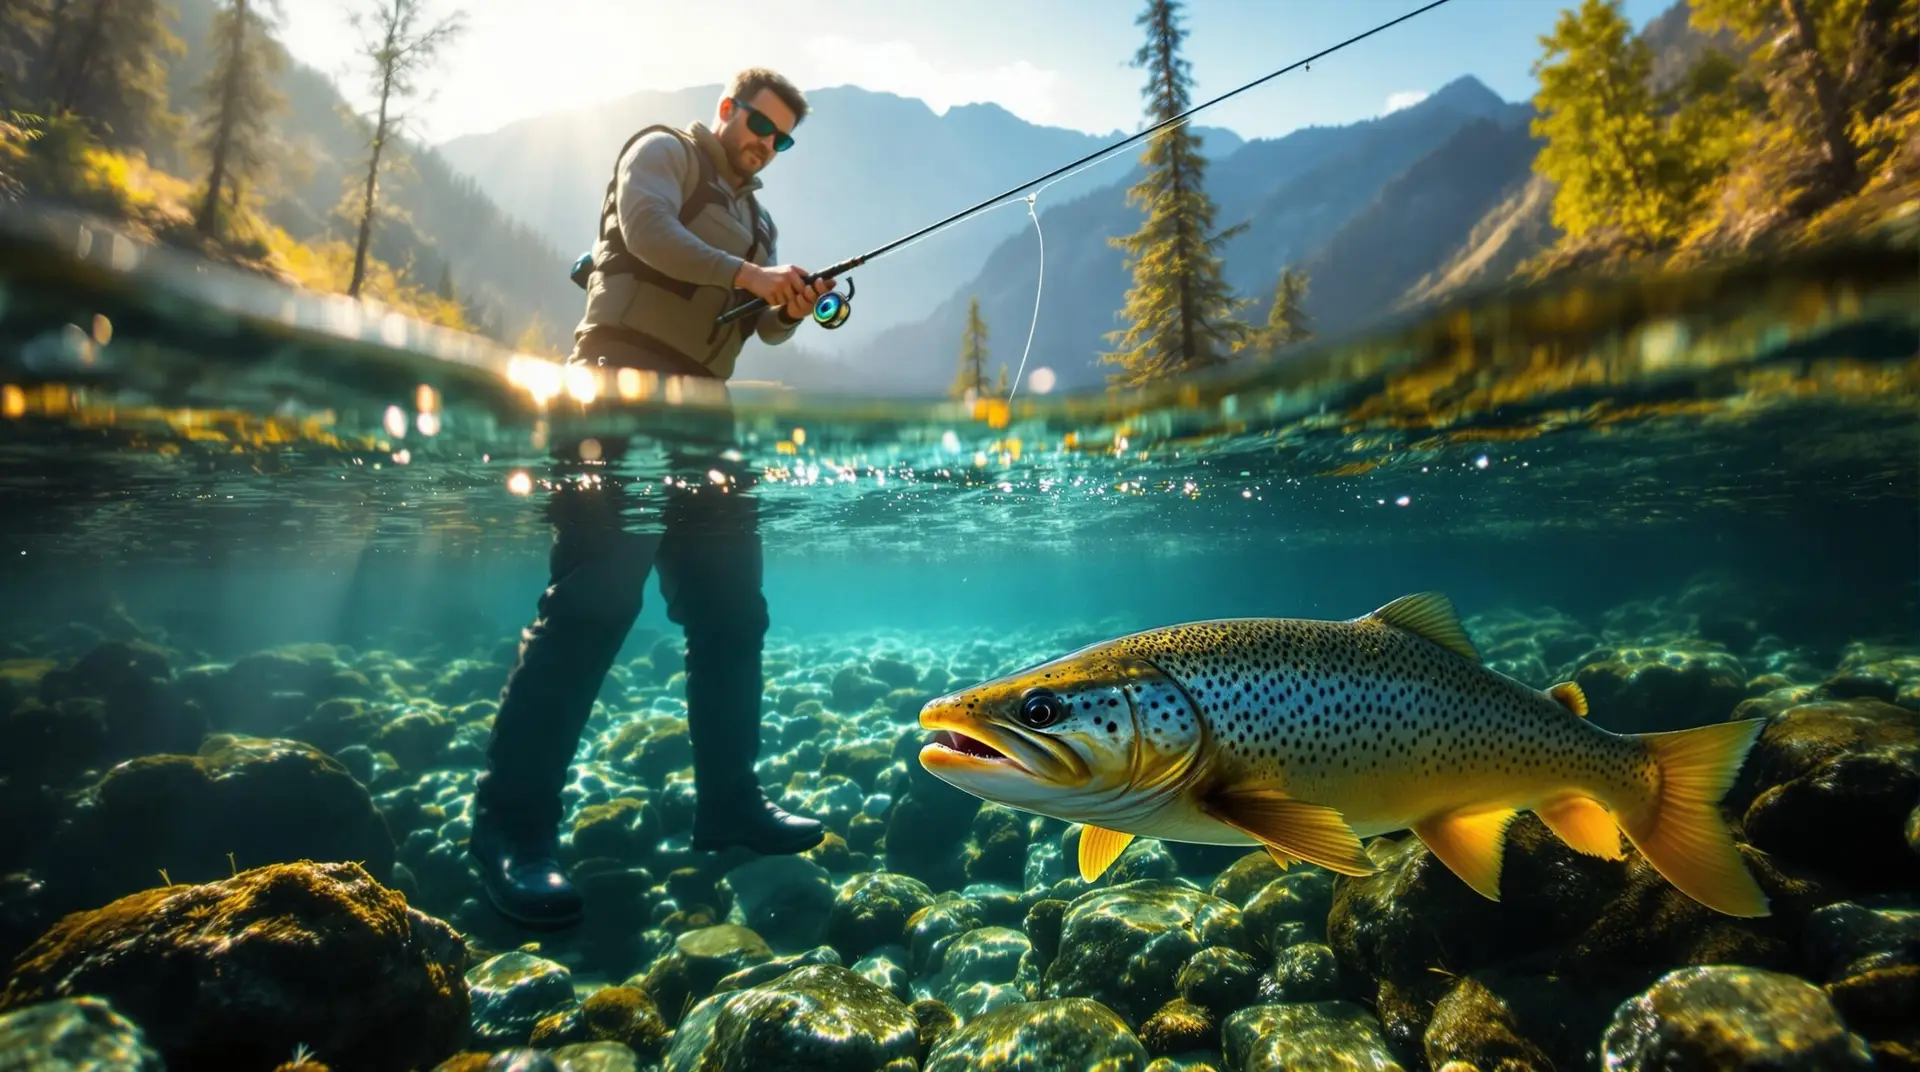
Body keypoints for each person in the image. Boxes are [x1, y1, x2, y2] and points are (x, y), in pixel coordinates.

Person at [468, 68, 833, 930]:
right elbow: (647, 233)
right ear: (727, 112)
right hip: (615, 395)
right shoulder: (662, 152)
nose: (764, 144)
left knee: (733, 618)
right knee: (592, 605)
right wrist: (753, 274)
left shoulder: (759, 220)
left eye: (780, 139)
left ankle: (729, 807)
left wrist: (790, 305)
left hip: (707, 419)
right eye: (757, 124)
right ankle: (508, 834)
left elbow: (756, 323)